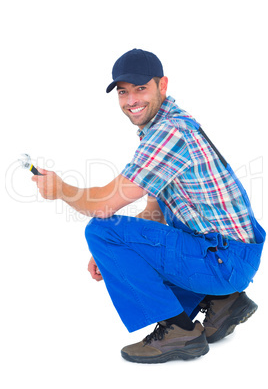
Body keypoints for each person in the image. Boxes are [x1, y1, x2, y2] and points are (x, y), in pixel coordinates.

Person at [32, 49, 266, 364]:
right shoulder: (164, 125)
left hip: (224, 258)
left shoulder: (170, 132)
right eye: (123, 92)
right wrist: (118, 254)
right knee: (111, 240)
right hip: (228, 255)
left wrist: (61, 189)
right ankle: (224, 301)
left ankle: (177, 331)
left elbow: (102, 205)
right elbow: (154, 211)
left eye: (140, 88)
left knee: (100, 230)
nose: (131, 100)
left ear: (162, 85)